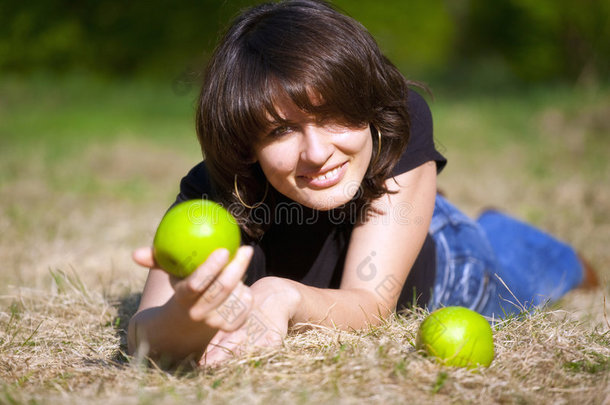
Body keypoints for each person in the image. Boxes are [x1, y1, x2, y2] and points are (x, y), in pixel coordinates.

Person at [127, 0, 597, 367]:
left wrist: (281, 293)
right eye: (280, 130)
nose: (316, 152)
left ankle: (511, 233)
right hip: (392, 215)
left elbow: (371, 303)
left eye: (333, 115)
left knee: (524, 274)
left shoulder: (400, 118)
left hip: (449, 268)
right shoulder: (214, 188)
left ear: (367, 104)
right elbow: (143, 336)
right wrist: (186, 316)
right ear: (246, 141)